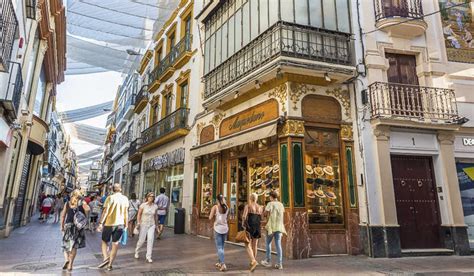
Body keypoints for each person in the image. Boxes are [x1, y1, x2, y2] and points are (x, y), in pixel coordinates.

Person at [97, 183, 129, 271]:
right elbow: (126, 213)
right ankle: (110, 264)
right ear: (120, 189)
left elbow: (105, 211)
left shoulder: (110, 198)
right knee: (115, 244)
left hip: (109, 224)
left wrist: (100, 223)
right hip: (120, 225)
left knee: (104, 242)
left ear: (113, 190)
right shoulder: (125, 199)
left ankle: (106, 258)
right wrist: (126, 224)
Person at [60, 189, 90, 271]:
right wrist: (85, 217)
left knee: (65, 244)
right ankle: (70, 265)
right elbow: (87, 210)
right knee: (74, 247)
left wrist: (61, 226)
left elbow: (63, 216)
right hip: (78, 227)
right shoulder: (82, 203)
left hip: (68, 225)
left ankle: (66, 259)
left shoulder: (68, 203)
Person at [260, 191, 286, 270]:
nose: (269, 197)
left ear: (271, 196)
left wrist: (263, 209)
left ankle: (268, 260)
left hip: (271, 227)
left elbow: (264, 214)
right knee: (278, 245)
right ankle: (279, 264)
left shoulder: (270, 204)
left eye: (269, 196)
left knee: (268, 243)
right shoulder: (281, 204)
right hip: (279, 226)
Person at [134, 192, 158, 263]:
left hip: (152, 224)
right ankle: (137, 251)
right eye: (150, 196)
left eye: (153, 196)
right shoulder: (143, 205)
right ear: (147, 197)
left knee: (150, 240)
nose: (151, 198)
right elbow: (139, 214)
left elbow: (156, 216)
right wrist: (138, 223)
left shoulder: (155, 206)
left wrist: (157, 226)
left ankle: (148, 256)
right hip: (143, 224)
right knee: (141, 240)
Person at [242, 193, 263, 272]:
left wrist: (243, 224)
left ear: (250, 198)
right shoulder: (260, 207)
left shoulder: (248, 206)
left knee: (247, 244)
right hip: (257, 226)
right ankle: (253, 261)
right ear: (256, 199)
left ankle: (253, 261)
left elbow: (244, 216)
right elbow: (262, 217)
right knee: (255, 245)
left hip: (250, 226)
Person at [209, 194, 228, 272]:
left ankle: (223, 264)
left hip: (218, 229)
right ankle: (220, 262)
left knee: (219, 247)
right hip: (225, 229)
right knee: (222, 247)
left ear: (217, 200)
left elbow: (210, 217)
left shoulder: (215, 207)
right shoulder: (227, 207)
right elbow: (227, 218)